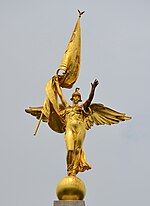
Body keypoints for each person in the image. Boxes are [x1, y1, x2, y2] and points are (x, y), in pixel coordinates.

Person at [55, 77, 99, 176]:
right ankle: (69, 168)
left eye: (78, 97)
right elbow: (61, 95)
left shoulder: (82, 108)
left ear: (79, 99)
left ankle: (74, 170)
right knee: (70, 149)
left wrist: (93, 89)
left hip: (80, 128)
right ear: (72, 98)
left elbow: (89, 100)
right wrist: (57, 84)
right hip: (69, 128)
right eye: (74, 97)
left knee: (78, 149)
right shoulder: (67, 107)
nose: (76, 98)